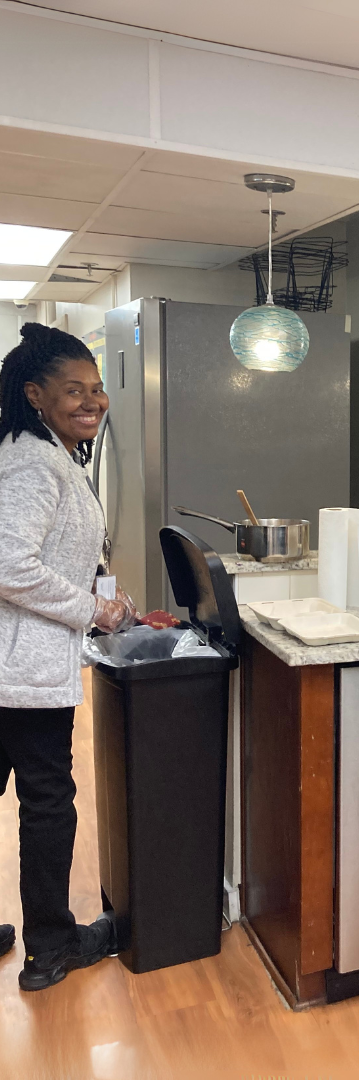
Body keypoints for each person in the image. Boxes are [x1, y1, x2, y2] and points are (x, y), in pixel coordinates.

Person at [0, 323, 134, 991]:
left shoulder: (44, 452)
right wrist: (95, 610)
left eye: (98, 389)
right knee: (49, 802)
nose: (92, 401)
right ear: (35, 395)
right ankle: (52, 947)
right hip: (19, 671)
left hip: (12, 662)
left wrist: (93, 587)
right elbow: (7, 564)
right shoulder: (33, 461)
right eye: (74, 390)